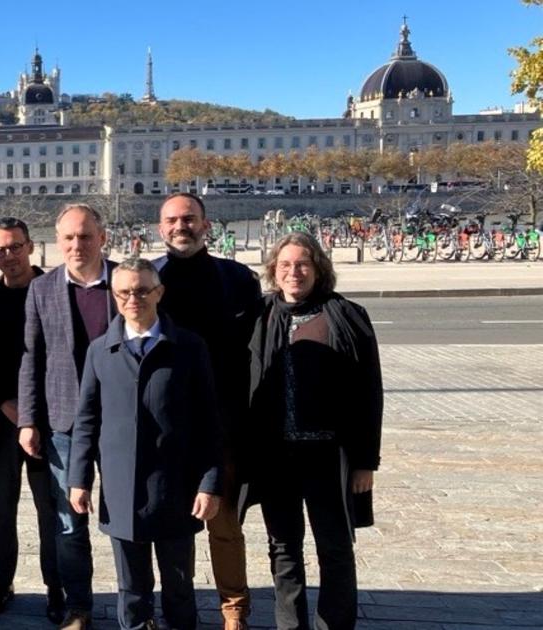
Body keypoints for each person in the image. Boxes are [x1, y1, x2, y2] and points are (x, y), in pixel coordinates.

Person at [68, 258, 224, 630]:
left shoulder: (188, 346)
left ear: (158, 292)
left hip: (176, 488)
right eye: (124, 292)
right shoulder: (100, 350)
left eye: (141, 290)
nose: (133, 298)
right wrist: (79, 477)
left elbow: (208, 423)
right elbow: (87, 419)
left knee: (179, 588)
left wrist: (210, 483)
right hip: (122, 491)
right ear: (114, 295)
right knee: (132, 590)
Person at [241, 232, 383, 630]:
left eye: (302, 263)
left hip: (327, 456)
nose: (293, 272)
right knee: (284, 550)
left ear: (318, 268)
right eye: (284, 265)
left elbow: (369, 393)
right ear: (273, 270)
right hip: (276, 458)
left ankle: (334, 624)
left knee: (335, 548)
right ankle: (291, 626)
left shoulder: (346, 315)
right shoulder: (259, 315)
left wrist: (365, 462)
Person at [153, 192, 261, 630]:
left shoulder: (237, 279)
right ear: (160, 228)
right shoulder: (148, 279)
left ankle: (233, 605)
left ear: (206, 224)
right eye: (173, 220)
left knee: (225, 521)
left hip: (223, 422)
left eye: (190, 219)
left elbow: (256, 355)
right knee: (171, 526)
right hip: (165, 424)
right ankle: (178, 607)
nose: (182, 227)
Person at [18, 203, 116, 630]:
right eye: (69, 238)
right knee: (67, 523)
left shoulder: (127, 283)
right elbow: (30, 357)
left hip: (120, 422)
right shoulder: (42, 289)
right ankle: (79, 606)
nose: (78, 245)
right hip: (63, 423)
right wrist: (27, 418)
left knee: (127, 521)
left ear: (102, 238)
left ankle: (139, 603)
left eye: (86, 236)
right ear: (57, 242)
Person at [0, 217, 61, 620]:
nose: (9, 255)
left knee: (51, 510)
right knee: (0, 509)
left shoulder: (56, 292)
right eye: (1, 249)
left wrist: (34, 414)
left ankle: (56, 588)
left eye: (15, 247)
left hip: (49, 419)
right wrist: (8, 404)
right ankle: (0, 584)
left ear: (31, 247)